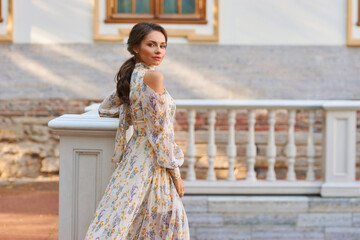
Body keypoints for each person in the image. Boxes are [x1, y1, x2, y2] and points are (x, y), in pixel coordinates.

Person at [84, 22, 190, 239]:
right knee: (165, 223)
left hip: (134, 156)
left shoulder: (132, 75)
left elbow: (105, 109)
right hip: (152, 161)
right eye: (151, 44)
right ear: (135, 47)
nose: (159, 51)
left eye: (163, 45)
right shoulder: (154, 77)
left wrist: (133, 114)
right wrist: (176, 174)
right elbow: (160, 133)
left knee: (126, 219)